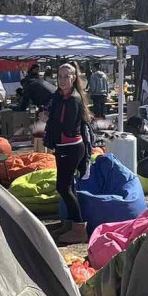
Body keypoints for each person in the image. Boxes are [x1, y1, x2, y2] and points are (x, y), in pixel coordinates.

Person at [46, 63, 93, 244]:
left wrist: (49, 119)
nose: (63, 80)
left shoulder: (72, 100)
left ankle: (79, 228)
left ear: (74, 78)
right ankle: (69, 223)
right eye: (60, 76)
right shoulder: (60, 96)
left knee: (63, 187)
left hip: (71, 148)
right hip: (64, 147)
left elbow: (67, 127)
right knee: (68, 187)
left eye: (67, 76)